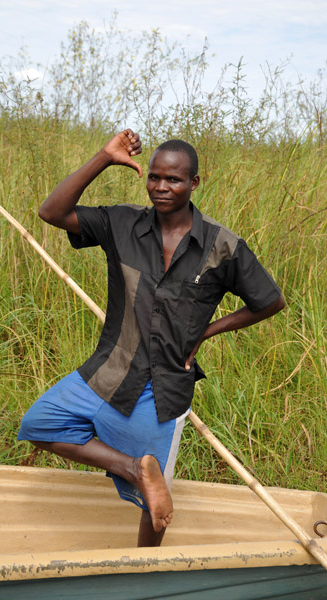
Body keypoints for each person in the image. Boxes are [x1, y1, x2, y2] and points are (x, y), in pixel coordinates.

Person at [18, 129, 285, 547]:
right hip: (110, 370)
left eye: (174, 180)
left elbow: (269, 301)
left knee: (154, 507)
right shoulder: (122, 223)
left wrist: (208, 332)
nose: (161, 187)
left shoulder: (222, 247)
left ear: (194, 183)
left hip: (163, 390)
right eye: (155, 177)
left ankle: (145, 570)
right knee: (40, 422)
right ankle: (130, 467)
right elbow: (51, 212)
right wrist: (104, 157)